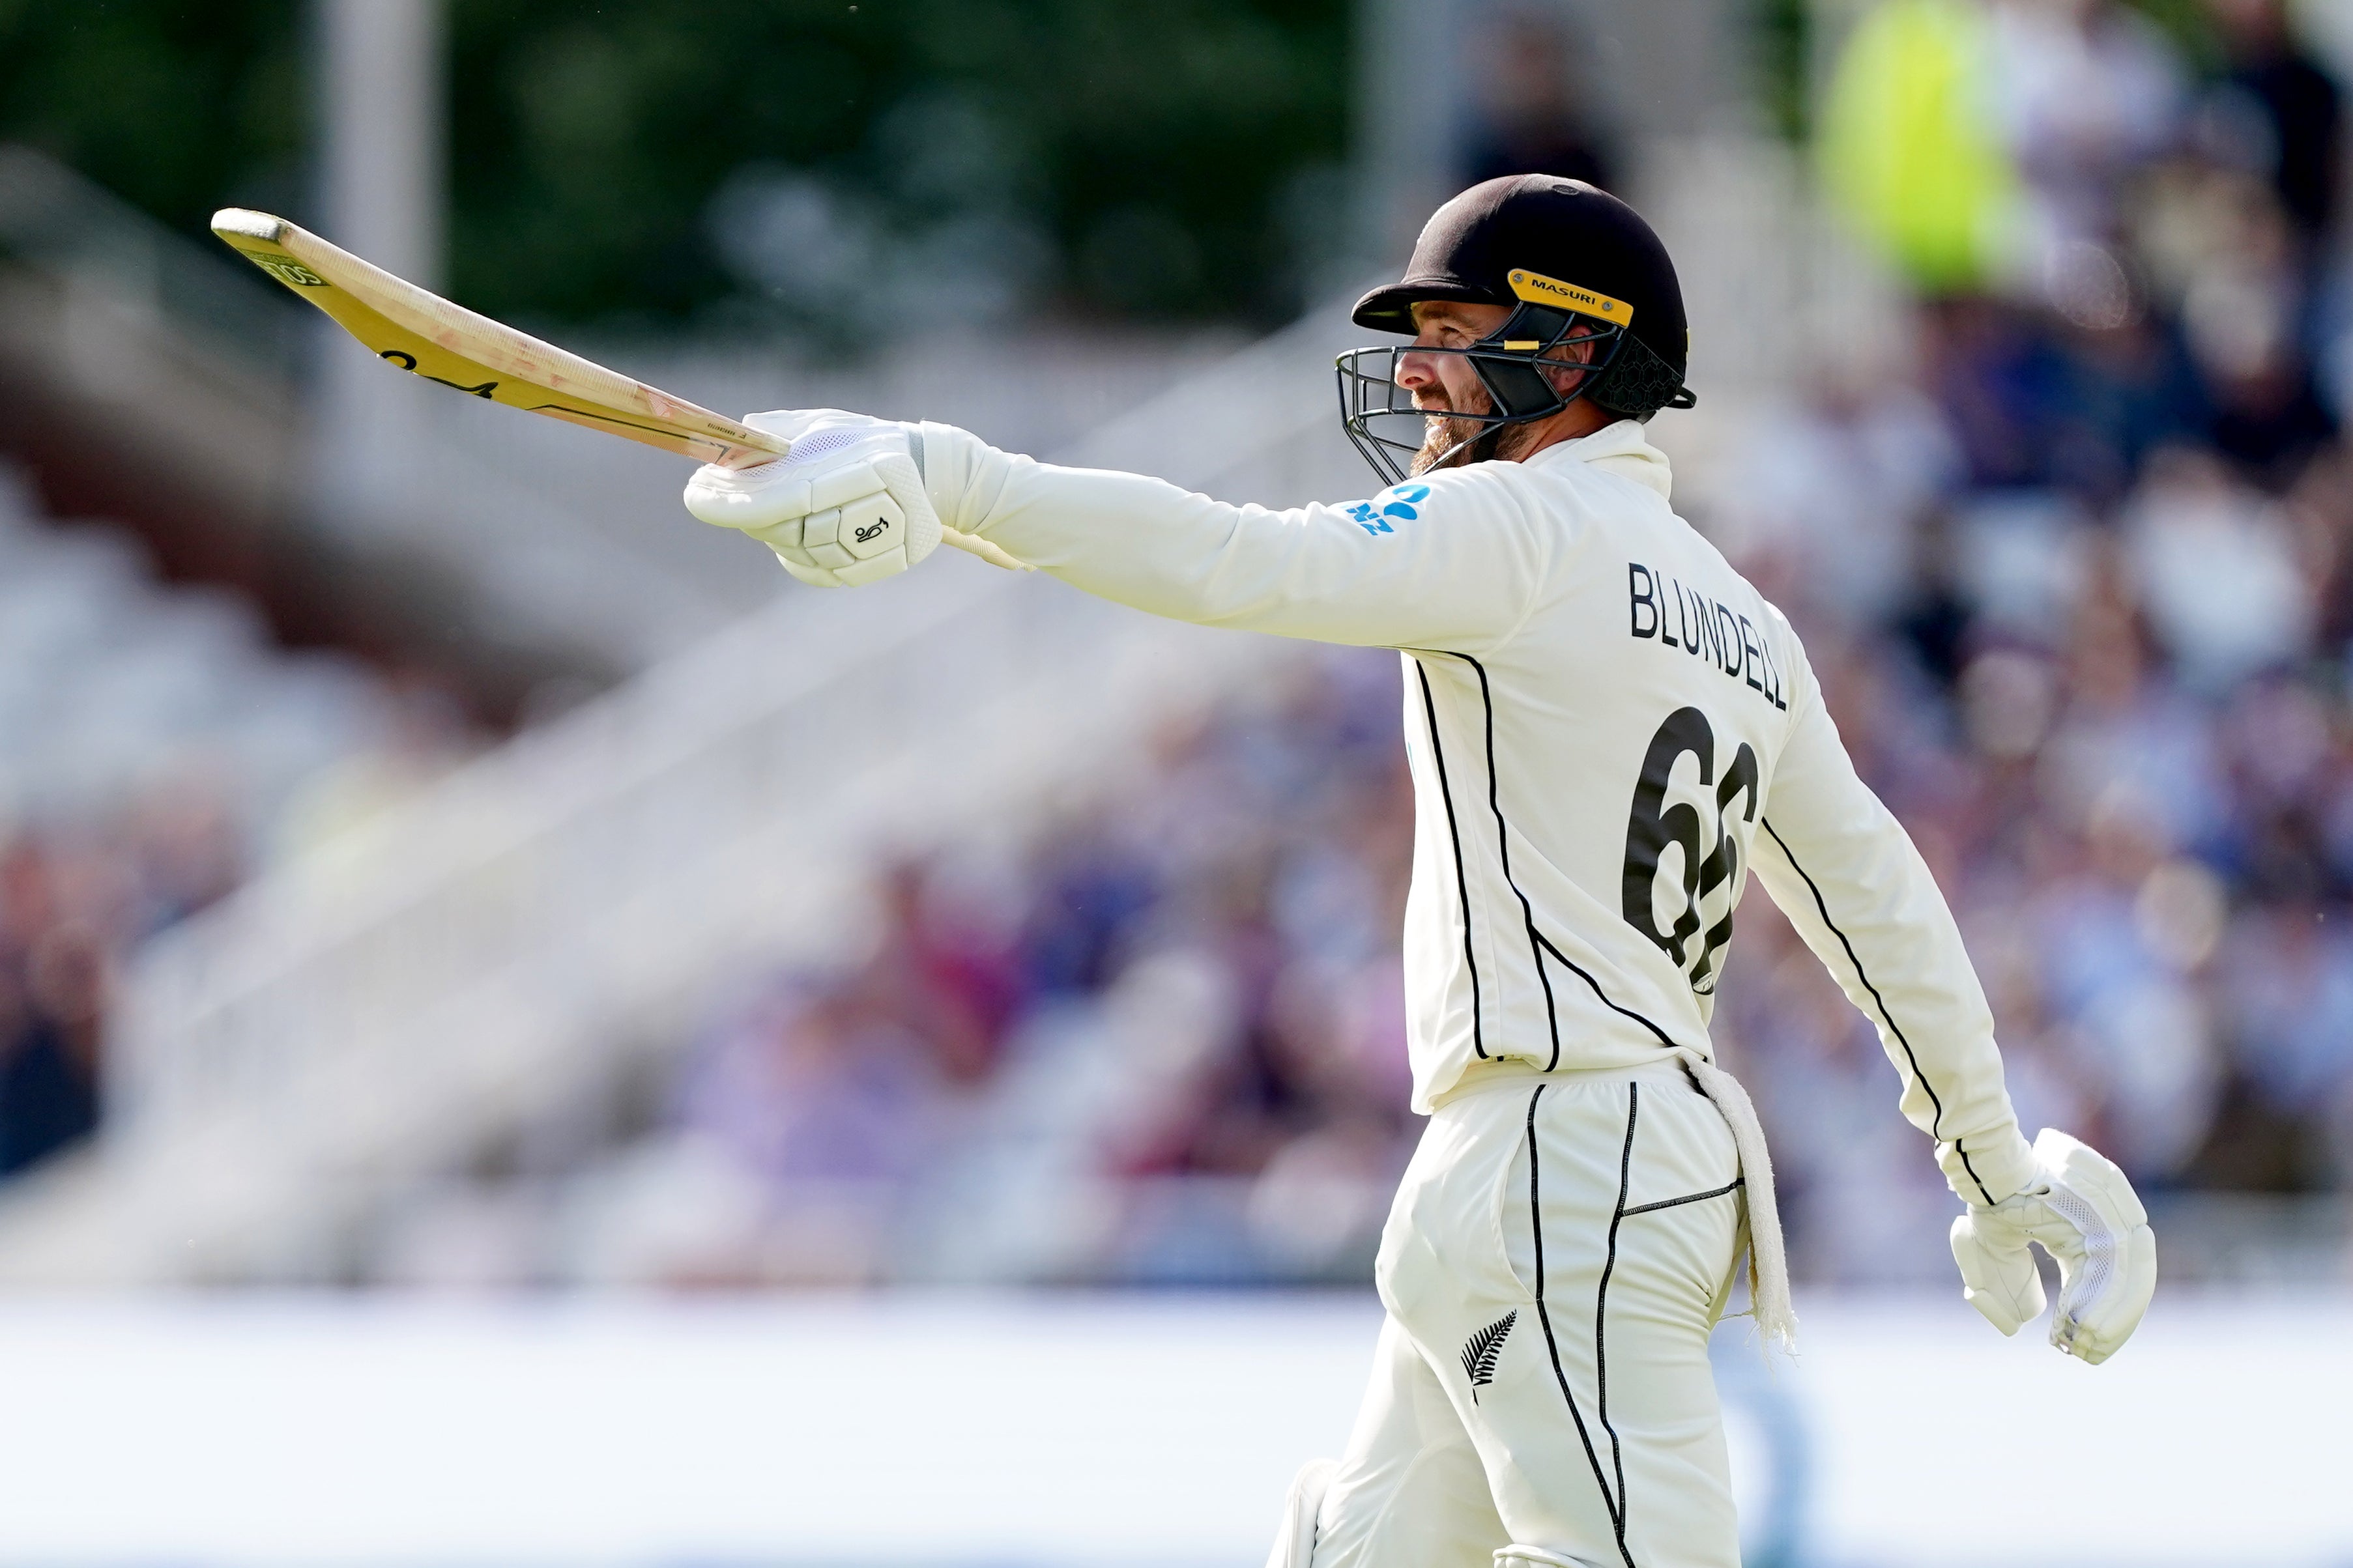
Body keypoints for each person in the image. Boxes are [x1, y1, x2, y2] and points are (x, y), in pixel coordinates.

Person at [682, 175, 2158, 1568]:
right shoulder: (1747, 623)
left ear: (1580, 348)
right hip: (1567, 1168)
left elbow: (1235, 559)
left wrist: (959, 480)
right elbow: (1879, 907)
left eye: (1461, 337)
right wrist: (1989, 1160)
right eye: (1425, 342)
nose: (1421, 377)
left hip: (1545, 1173)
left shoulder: (1516, 527)